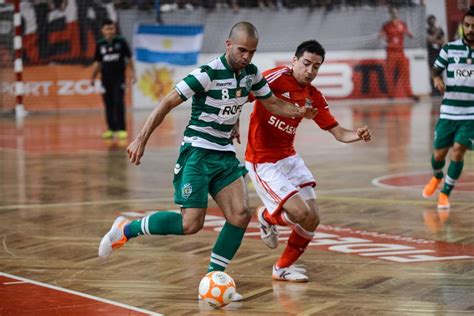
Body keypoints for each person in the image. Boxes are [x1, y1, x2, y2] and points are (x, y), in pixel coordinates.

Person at [98, 22, 317, 298]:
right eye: (241, 50)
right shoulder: (207, 73)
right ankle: (126, 229)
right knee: (191, 224)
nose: (247, 57)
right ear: (228, 45)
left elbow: (271, 102)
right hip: (197, 152)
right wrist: (141, 138)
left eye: (252, 52)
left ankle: (214, 279)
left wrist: (299, 111)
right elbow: (167, 102)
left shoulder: (251, 74)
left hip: (224, 154)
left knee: (239, 215)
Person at [244, 40, 372, 282]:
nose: (310, 71)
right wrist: (229, 127)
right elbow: (242, 97)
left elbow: (339, 133)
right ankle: (265, 217)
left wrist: (358, 134)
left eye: (316, 66)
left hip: (289, 157)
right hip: (263, 161)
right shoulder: (275, 78)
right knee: (299, 212)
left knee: (312, 218)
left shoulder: (313, 96)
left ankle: (281, 268)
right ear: (294, 60)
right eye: (306, 64)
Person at [422, 7, 474, 209]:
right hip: (448, 112)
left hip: (470, 115)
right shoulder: (449, 49)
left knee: (459, 151)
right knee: (438, 155)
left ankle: (445, 192)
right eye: (467, 25)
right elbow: (435, 68)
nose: (470, 29)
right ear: (462, 26)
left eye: (473, 27)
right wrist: (436, 78)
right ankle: (436, 177)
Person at [91, 19, 135, 140]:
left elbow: (129, 59)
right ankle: (111, 129)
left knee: (118, 102)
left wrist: (132, 74)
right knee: (108, 104)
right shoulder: (100, 44)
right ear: (102, 30)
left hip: (119, 78)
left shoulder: (121, 42)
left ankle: (121, 129)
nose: (109, 31)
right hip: (105, 79)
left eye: (111, 28)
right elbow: (98, 62)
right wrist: (93, 77)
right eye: (107, 29)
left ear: (114, 29)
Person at [379, 7, 416, 99]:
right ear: (390, 14)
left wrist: (411, 34)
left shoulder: (402, 24)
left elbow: (410, 35)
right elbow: (381, 37)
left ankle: (410, 94)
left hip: (400, 52)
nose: (394, 14)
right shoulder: (386, 25)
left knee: (405, 73)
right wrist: (384, 40)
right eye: (392, 12)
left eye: (395, 12)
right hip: (391, 53)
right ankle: (390, 95)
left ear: (397, 13)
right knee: (390, 75)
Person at [426, 14, 445, 95]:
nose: (432, 22)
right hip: (431, 54)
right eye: (430, 20)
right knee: (433, 72)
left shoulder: (440, 30)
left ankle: (441, 89)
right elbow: (429, 39)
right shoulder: (426, 31)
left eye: (433, 20)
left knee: (440, 72)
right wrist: (436, 34)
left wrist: (434, 40)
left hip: (439, 53)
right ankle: (434, 90)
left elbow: (443, 41)